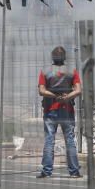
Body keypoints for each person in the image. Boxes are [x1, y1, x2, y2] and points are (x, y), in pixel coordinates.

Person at [37, 46, 82, 179]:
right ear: (65, 57)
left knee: (49, 139)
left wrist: (54, 96)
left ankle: (46, 171)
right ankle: (74, 171)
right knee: (69, 140)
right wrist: (67, 97)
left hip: (50, 110)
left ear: (52, 57)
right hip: (67, 109)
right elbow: (78, 90)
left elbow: (41, 91)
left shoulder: (45, 71)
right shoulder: (71, 71)